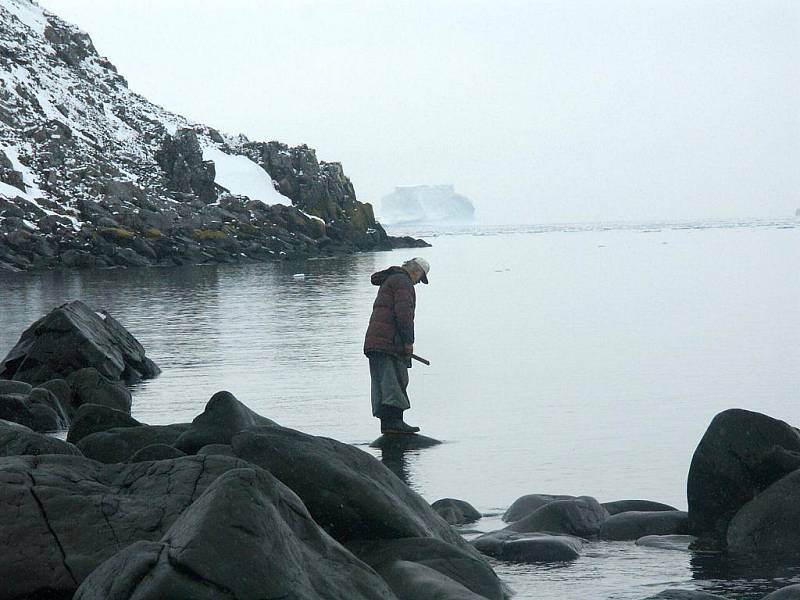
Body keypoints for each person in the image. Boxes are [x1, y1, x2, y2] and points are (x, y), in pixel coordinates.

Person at [363, 257, 430, 434]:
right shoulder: (403, 282)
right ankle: (395, 424)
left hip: (375, 341)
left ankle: (387, 426)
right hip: (389, 343)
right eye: (419, 278)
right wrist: (408, 342)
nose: (417, 283)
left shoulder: (391, 279)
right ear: (415, 271)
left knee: (381, 383)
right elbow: (404, 314)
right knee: (395, 381)